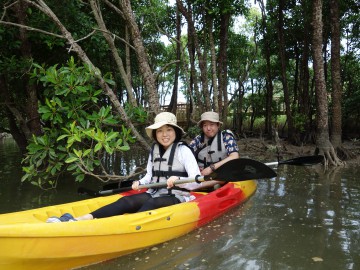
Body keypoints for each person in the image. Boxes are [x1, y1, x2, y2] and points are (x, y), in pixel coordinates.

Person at [46, 112, 202, 223]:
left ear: (175, 131)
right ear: (155, 134)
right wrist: (140, 183)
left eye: (168, 129)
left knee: (150, 204)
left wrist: (179, 180)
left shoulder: (183, 151)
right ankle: (78, 220)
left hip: (178, 197)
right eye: (160, 131)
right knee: (125, 202)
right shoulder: (154, 150)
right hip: (154, 192)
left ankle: (127, 228)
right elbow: (149, 176)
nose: (164, 134)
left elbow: (196, 182)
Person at [189, 111, 240, 189]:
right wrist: (195, 168)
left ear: (218, 125)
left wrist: (211, 168)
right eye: (205, 125)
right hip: (203, 176)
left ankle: (217, 182)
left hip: (223, 174)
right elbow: (186, 155)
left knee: (223, 177)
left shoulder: (226, 137)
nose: (208, 128)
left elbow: (234, 156)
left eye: (212, 125)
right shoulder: (198, 139)